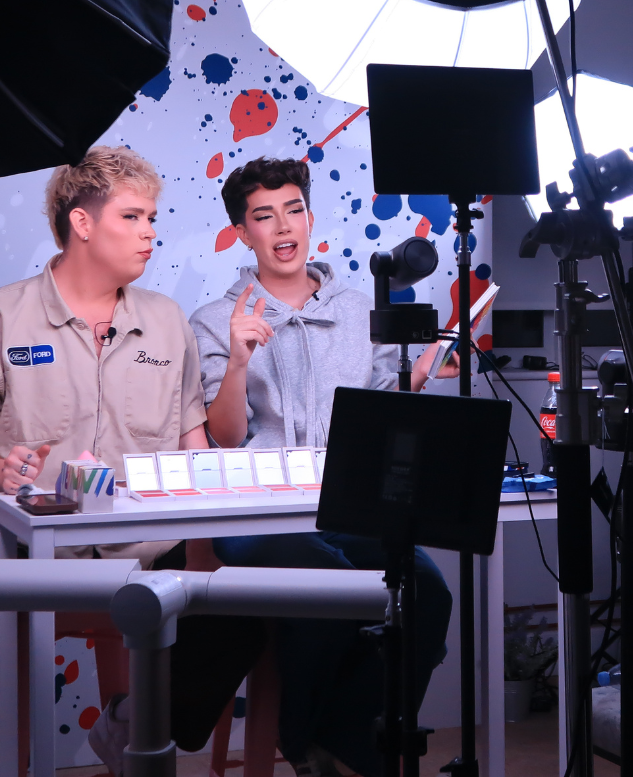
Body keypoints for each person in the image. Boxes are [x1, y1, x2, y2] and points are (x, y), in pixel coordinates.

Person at [0, 146, 264, 777]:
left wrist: (207, 542)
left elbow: (193, 445)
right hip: (10, 547)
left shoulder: (166, 319)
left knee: (247, 605)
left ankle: (134, 722)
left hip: (143, 548)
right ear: (82, 222)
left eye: (152, 217)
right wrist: (1, 472)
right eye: (133, 216)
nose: (150, 232)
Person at [188, 157, 456, 777]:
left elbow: (380, 417)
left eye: (294, 210)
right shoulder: (214, 320)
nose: (283, 226)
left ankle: (341, 744)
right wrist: (238, 360)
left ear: (310, 218)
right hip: (255, 512)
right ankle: (303, 738)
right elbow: (225, 437)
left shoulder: (361, 308)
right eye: (264, 216)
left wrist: (415, 381)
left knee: (428, 592)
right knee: (332, 582)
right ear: (242, 232)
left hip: (346, 503)